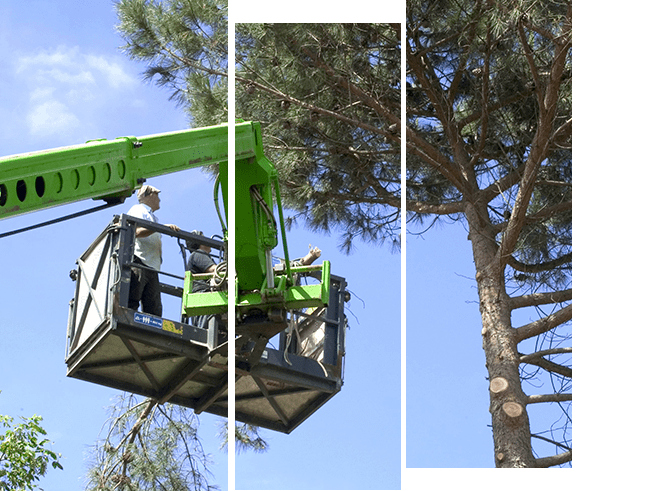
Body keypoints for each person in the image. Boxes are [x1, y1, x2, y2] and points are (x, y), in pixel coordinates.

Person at [127, 184, 180, 316]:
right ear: (149, 195)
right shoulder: (138, 210)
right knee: (133, 299)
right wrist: (160, 228)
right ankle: (129, 325)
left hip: (151, 265)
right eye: (157, 195)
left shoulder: (151, 216)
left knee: (154, 307)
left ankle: (147, 331)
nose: (159, 199)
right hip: (140, 261)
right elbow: (136, 232)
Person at [185, 231, 217, 328]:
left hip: (203, 298)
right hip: (204, 296)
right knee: (208, 328)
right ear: (199, 242)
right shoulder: (198, 254)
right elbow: (214, 270)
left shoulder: (201, 255)